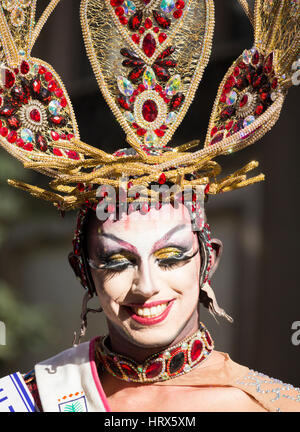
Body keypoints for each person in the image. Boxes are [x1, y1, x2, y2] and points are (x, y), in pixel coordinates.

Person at [0, 0, 299, 412]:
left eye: (172, 257)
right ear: (82, 269)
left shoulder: (273, 405)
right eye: (117, 261)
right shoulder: (27, 400)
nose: (146, 287)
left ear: (208, 261)